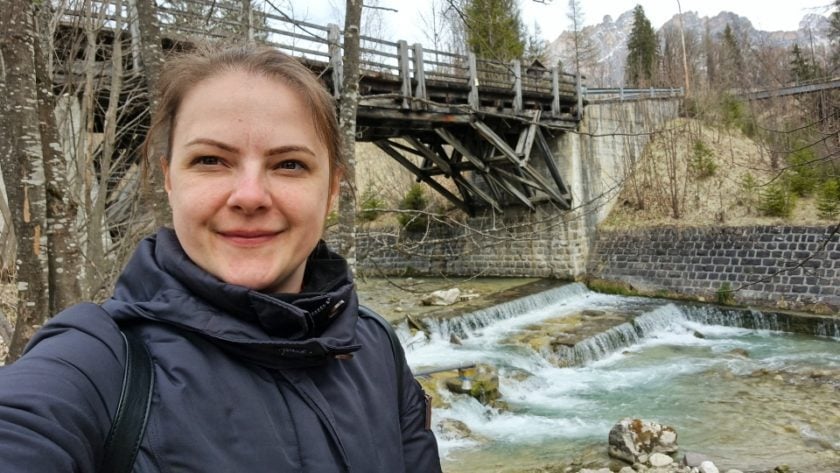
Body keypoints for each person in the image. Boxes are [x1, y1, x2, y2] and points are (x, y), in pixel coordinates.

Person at [0, 45, 442, 472]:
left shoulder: (375, 346)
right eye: (211, 160)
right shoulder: (98, 365)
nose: (249, 196)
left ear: (331, 190)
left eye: (289, 164)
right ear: (169, 180)